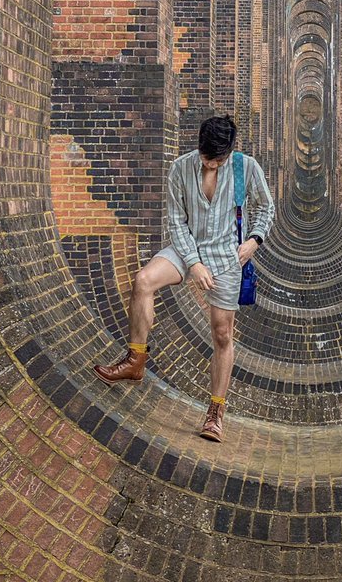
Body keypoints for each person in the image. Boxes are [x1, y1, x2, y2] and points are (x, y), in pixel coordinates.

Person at [93, 114, 275, 442]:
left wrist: (253, 240)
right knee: (143, 280)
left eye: (217, 161)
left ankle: (215, 413)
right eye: (206, 159)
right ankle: (136, 360)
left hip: (226, 257)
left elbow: (265, 208)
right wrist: (192, 263)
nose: (210, 166)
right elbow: (176, 222)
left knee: (222, 335)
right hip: (187, 247)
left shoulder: (245, 168)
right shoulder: (180, 168)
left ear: (230, 153)